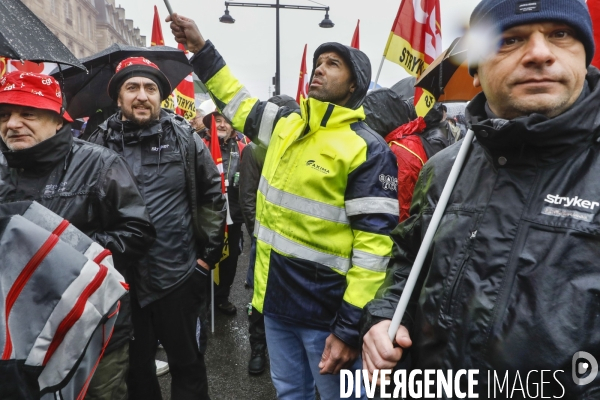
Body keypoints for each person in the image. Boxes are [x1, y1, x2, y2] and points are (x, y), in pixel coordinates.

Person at [361, 0, 600, 397]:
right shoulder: (442, 168)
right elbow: (407, 260)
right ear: (475, 73)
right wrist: (384, 315)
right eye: (510, 40)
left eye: (561, 35)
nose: (540, 53)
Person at [169, 15, 399, 400]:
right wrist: (200, 48)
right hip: (273, 303)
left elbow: (374, 251)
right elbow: (236, 99)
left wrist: (347, 328)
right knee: (290, 391)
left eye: (332, 64)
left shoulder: (368, 149)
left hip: (325, 314)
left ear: (354, 83)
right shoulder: (286, 125)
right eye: (317, 63)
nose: (319, 70)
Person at [0, 71, 155, 399]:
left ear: (58, 121)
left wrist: (63, 253)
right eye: (4, 114)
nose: (12, 123)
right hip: (17, 336)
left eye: (28, 113)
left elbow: (138, 232)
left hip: (89, 328)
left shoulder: (99, 164)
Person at [87, 57, 226, 400]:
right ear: (118, 98)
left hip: (177, 276)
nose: (142, 95)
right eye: (132, 87)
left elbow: (212, 196)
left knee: (188, 365)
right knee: (136, 371)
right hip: (122, 281)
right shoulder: (96, 144)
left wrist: (205, 262)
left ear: (161, 96)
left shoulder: (184, 138)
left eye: (150, 88)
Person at [202, 106, 246, 315]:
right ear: (210, 126)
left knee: (230, 258)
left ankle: (221, 298)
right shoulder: (199, 145)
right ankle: (203, 297)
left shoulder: (243, 149)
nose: (221, 124)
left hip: (233, 216)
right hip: (206, 215)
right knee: (204, 255)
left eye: (226, 121)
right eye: (217, 120)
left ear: (233, 127)